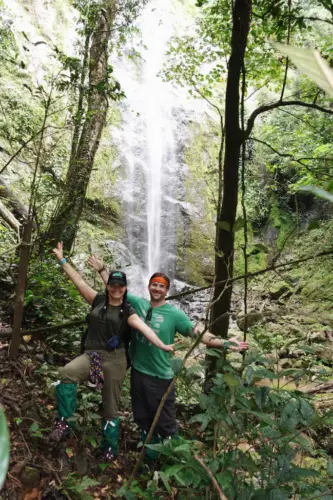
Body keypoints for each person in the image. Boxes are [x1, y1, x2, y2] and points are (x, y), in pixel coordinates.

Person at [89, 256, 249, 459]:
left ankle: (180, 460)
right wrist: (102, 269)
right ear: (148, 287)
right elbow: (115, 289)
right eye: (154, 285)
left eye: (161, 286)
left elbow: (197, 333)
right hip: (138, 372)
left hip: (160, 377)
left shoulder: (175, 314)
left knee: (165, 422)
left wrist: (225, 342)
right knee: (142, 417)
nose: (157, 289)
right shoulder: (138, 304)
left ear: (167, 291)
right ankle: (149, 457)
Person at [50, 242, 174, 461]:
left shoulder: (128, 310)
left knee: (110, 406)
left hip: (116, 359)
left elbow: (144, 329)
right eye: (113, 284)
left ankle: (109, 448)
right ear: (109, 286)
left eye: (120, 286)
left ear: (125, 289)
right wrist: (62, 260)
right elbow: (78, 281)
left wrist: (162, 345)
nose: (116, 288)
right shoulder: (97, 300)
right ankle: (64, 422)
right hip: (92, 355)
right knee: (66, 373)